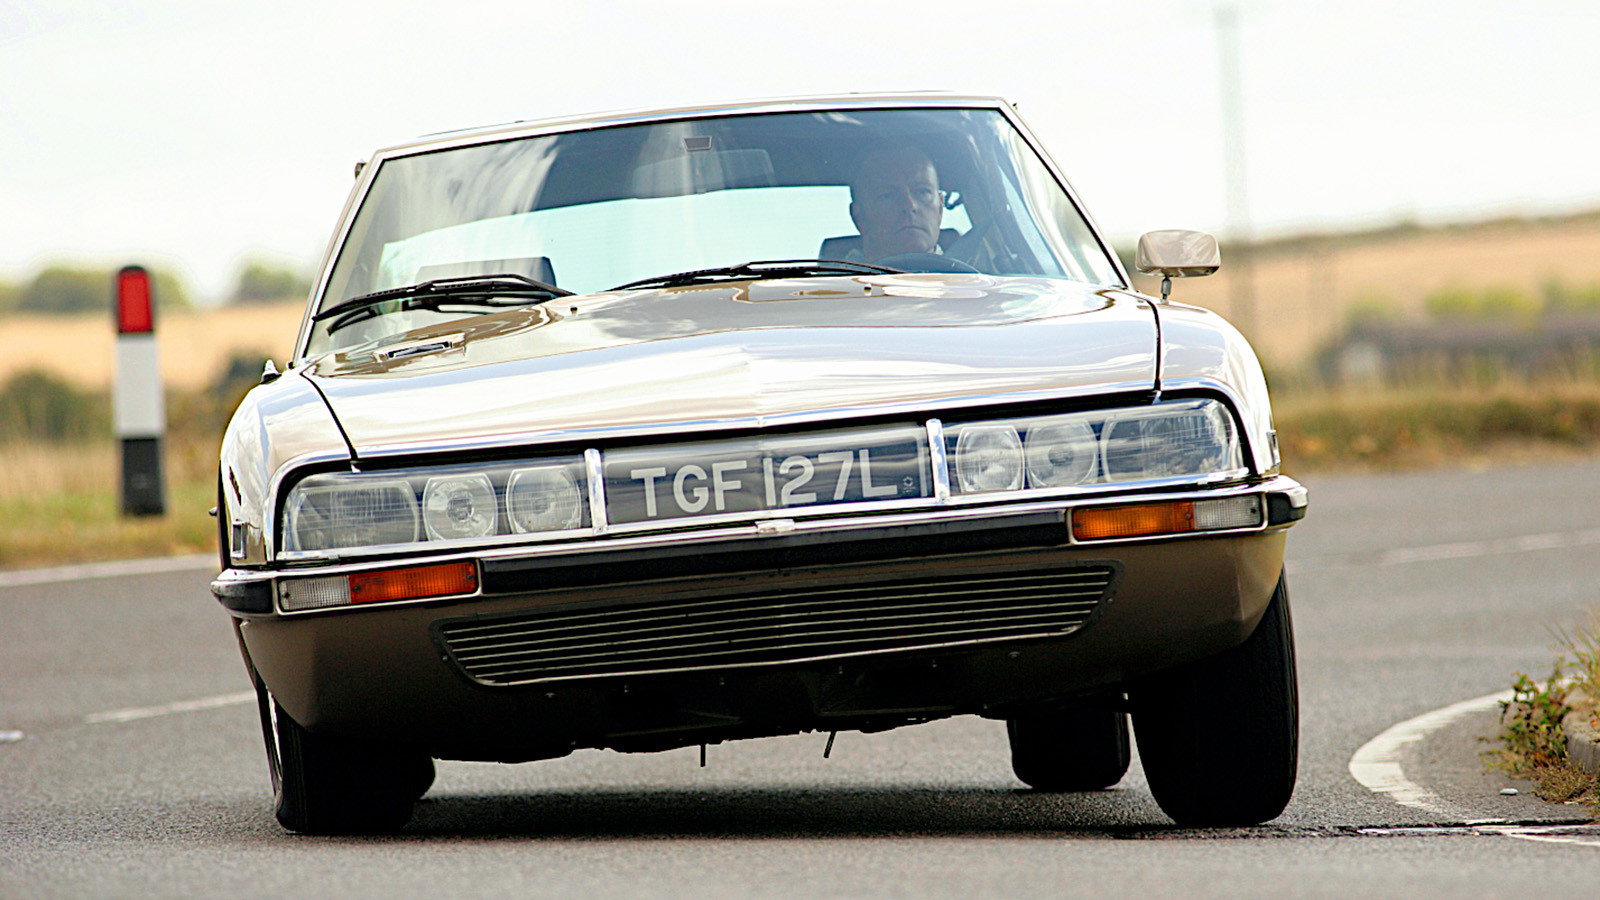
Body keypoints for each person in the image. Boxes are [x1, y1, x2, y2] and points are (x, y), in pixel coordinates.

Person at [847, 146, 945, 262]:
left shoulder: (963, 271)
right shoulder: (835, 274)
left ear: (940, 208)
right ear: (859, 217)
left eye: (922, 192)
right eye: (887, 196)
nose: (909, 206)